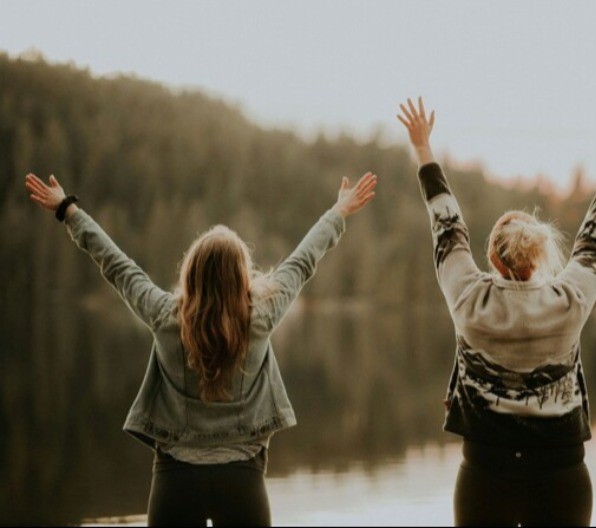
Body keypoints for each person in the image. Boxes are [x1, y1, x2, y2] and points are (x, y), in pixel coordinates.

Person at [24, 170, 378, 526]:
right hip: (243, 479)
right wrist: (338, 212)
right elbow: (302, 261)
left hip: (175, 479)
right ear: (242, 276)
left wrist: (68, 210)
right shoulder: (260, 317)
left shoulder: (165, 316)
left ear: (190, 272)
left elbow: (117, 266)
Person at [397, 97, 596, 526]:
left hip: (485, 471)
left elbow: (445, 223)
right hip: (561, 472)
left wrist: (424, 150)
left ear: (495, 261)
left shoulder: (468, 298)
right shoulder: (568, 301)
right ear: (537, 258)